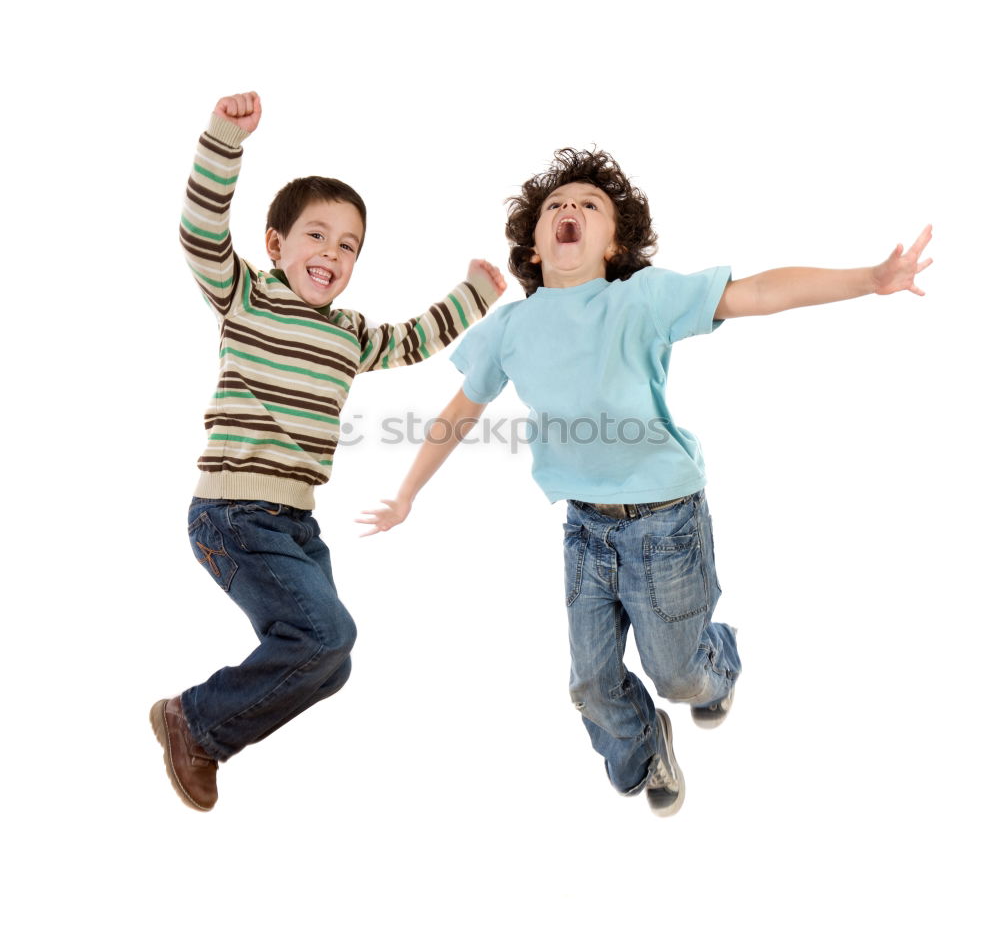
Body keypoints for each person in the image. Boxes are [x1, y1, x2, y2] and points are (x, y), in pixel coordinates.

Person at [358, 147, 932, 817]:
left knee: (678, 674)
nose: (569, 209)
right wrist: (407, 493)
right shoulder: (511, 328)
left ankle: (716, 659)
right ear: (535, 249)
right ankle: (640, 745)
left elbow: (756, 293)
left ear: (614, 243)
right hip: (586, 529)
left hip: (666, 522)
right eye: (555, 207)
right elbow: (460, 412)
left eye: (588, 205)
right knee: (591, 684)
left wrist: (870, 277)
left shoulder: (642, 298)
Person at [150, 92, 505, 811]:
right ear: (277, 245)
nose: (333, 254)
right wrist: (225, 139)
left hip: (295, 525)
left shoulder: (349, 332)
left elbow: (413, 340)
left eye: (348, 246)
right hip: (232, 513)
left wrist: (475, 293)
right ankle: (193, 720)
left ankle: (200, 721)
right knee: (326, 634)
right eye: (317, 236)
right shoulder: (245, 295)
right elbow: (199, 232)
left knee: (329, 662)